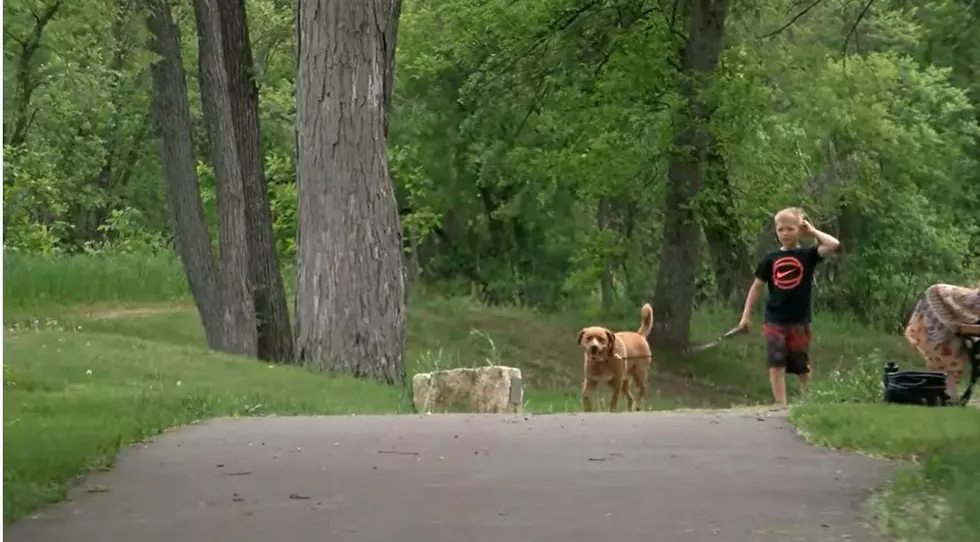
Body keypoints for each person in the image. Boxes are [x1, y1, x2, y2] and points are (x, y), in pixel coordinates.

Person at [737, 207, 841, 407]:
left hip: (799, 320)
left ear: (799, 230)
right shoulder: (770, 258)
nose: (785, 233)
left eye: (791, 229)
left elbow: (833, 244)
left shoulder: (807, 255)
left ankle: (809, 400)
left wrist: (813, 232)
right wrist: (745, 316)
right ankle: (780, 405)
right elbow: (756, 287)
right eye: (781, 229)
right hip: (774, 319)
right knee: (776, 361)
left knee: (800, 364)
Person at [903, 281, 980, 399]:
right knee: (944, 348)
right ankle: (941, 393)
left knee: (947, 348)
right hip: (946, 300)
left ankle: (942, 393)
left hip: (954, 306)